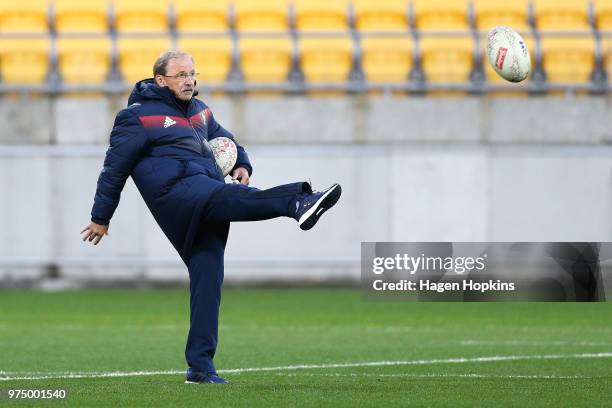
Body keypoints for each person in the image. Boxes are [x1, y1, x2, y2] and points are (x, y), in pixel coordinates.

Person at [80, 51, 341, 384]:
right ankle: (297, 201)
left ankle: (200, 367)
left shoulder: (201, 112)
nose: (189, 80)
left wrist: (242, 164)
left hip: (205, 189)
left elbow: (227, 140)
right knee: (227, 196)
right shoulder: (137, 117)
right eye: (181, 75)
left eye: (192, 73)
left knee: (208, 280)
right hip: (177, 195)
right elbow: (113, 170)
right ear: (160, 80)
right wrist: (101, 217)